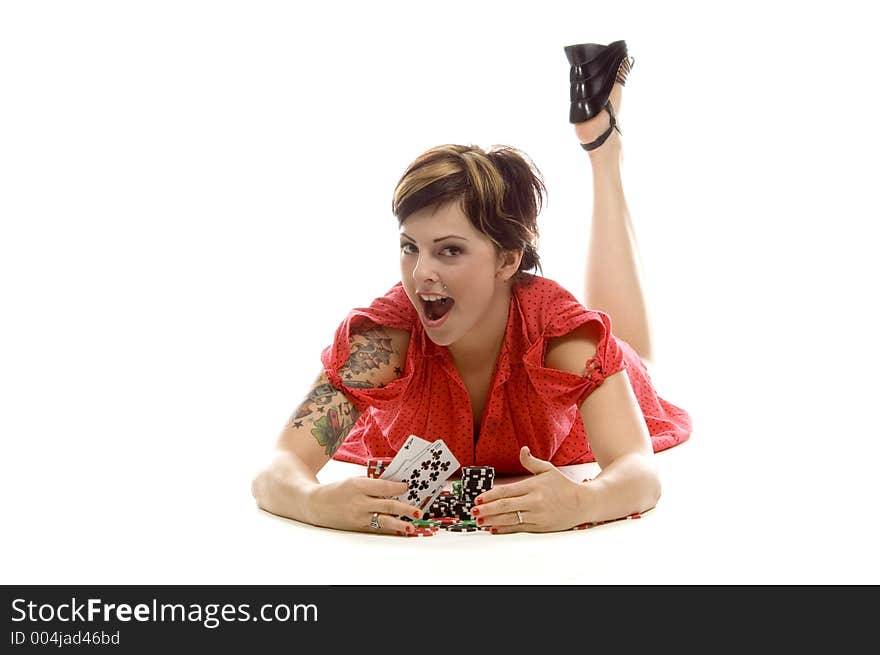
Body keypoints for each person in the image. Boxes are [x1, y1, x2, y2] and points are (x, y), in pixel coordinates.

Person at [251, 51, 692, 535]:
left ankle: (604, 153)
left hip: (587, 373)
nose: (420, 274)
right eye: (409, 247)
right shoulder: (381, 342)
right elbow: (276, 472)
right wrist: (314, 503)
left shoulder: (563, 336)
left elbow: (639, 472)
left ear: (508, 259)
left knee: (635, 354)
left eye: (450, 251)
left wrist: (585, 501)